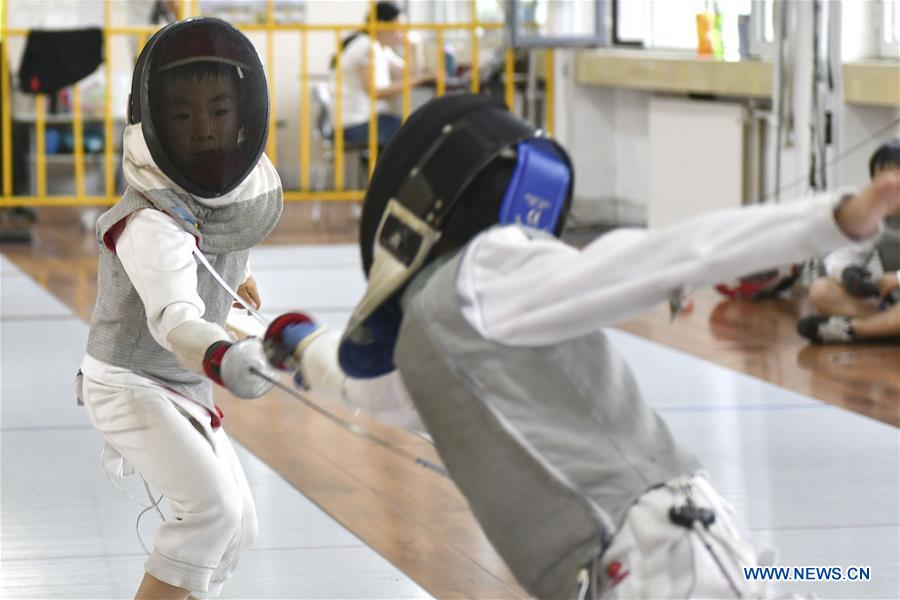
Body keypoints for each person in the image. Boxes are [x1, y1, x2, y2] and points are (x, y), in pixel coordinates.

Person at [264, 95, 900, 598]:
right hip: (665, 558)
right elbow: (360, 390)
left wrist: (828, 220)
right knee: (807, 579)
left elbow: (658, 257)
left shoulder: (487, 270)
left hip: (671, 561)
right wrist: (300, 344)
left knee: (806, 579)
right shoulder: (431, 335)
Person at [78, 18, 281, 600]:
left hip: (183, 382)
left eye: (218, 111)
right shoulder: (149, 221)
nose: (204, 131)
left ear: (243, 114)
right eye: (183, 116)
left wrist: (238, 282)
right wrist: (223, 353)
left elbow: (208, 247)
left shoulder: (225, 200)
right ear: (157, 124)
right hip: (127, 382)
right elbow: (173, 317)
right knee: (211, 510)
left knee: (240, 526)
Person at [798, 138, 900, 344]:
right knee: (821, 290)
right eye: (881, 179)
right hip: (892, 304)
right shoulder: (877, 217)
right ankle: (887, 328)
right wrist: (846, 272)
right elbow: (842, 254)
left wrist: (896, 279)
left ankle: (855, 330)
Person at [330, 1, 433, 149]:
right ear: (380, 25)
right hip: (354, 124)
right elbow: (376, 92)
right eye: (397, 27)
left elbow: (409, 73)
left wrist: (415, 46)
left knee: (414, 126)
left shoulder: (380, 48)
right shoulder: (366, 47)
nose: (401, 33)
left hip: (368, 120)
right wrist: (421, 79)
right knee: (415, 131)